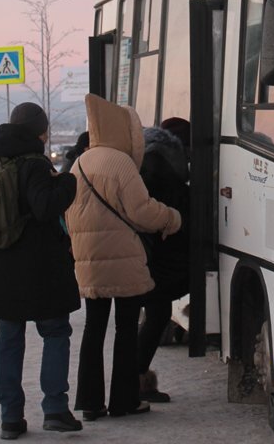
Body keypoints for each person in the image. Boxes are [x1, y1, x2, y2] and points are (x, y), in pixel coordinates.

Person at [65, 94, 182, 420]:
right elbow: (142, 212)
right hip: (123, 260)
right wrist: (172, 218)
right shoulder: (120, 163)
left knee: (93, 329)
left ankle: (89, 403)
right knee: (126, 329)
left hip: (88, 261)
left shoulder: (81, 162)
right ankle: (124, 401)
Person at [0, 102, 83, 439]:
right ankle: (55, 409)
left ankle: (10, 418)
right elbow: (45, 206)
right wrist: (67, 183)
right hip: (41, 269)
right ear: (40, 131)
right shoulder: (34, 164)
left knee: (8, 341)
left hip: (3, 267)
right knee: (55, 333)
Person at [136, 117, 191, 403]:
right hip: (156, 252)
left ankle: (135, 380)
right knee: (156, 316)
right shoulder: (162, 168)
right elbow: (164, 209)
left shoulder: (146, 160)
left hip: (143, 252)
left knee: (152, 316)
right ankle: (133, 382)